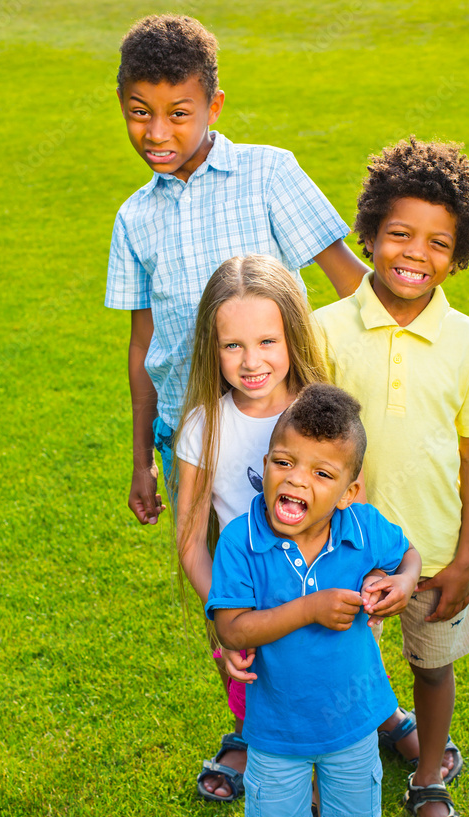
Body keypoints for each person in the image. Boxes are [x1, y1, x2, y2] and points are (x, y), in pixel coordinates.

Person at [313, 137, 469, 817]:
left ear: (458, 256)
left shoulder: (468, 342)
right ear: (367, 234)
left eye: (438, 242)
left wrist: (463, 559)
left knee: (432, 668)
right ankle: (341, 783)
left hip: (433, 555)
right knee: (340, 672)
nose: (415, 253)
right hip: (341, 555)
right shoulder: (324, 330)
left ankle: (428, 777)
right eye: (399, 233)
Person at [104, 13, 368, 529]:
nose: (157, 132)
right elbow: (143, 345)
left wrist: (429, 339)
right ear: (122, 105)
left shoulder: (268, 173)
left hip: (291, 435)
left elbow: (350, 282)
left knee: (313, 565)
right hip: (193, 439)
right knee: (225, 588)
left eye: (179, 113)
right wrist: (141, 462)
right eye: (140, 112)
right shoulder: (133, 218)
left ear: (214, 106)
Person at [207, 384, 422, 817]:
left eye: (321, 472)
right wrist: (309, 609)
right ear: (267, 461)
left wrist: (403, 584)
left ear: (349, 491)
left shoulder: (360, 527)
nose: (295, 481)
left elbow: (408, 555)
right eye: (283, 462)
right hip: (276, 728)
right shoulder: (241, 538)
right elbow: (233, 625)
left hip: (355, 719)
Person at [174, 255, 327, 803]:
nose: (251, 360)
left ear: (293, 336)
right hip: (243, 607)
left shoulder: (321, 416)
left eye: (267, 341)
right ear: (211, 350)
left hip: (322, 604)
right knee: (264, 721)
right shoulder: (202, 427)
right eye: (232, 345)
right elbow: (190, 538)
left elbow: (354, 510)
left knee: (322, 728)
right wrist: (226, 616)